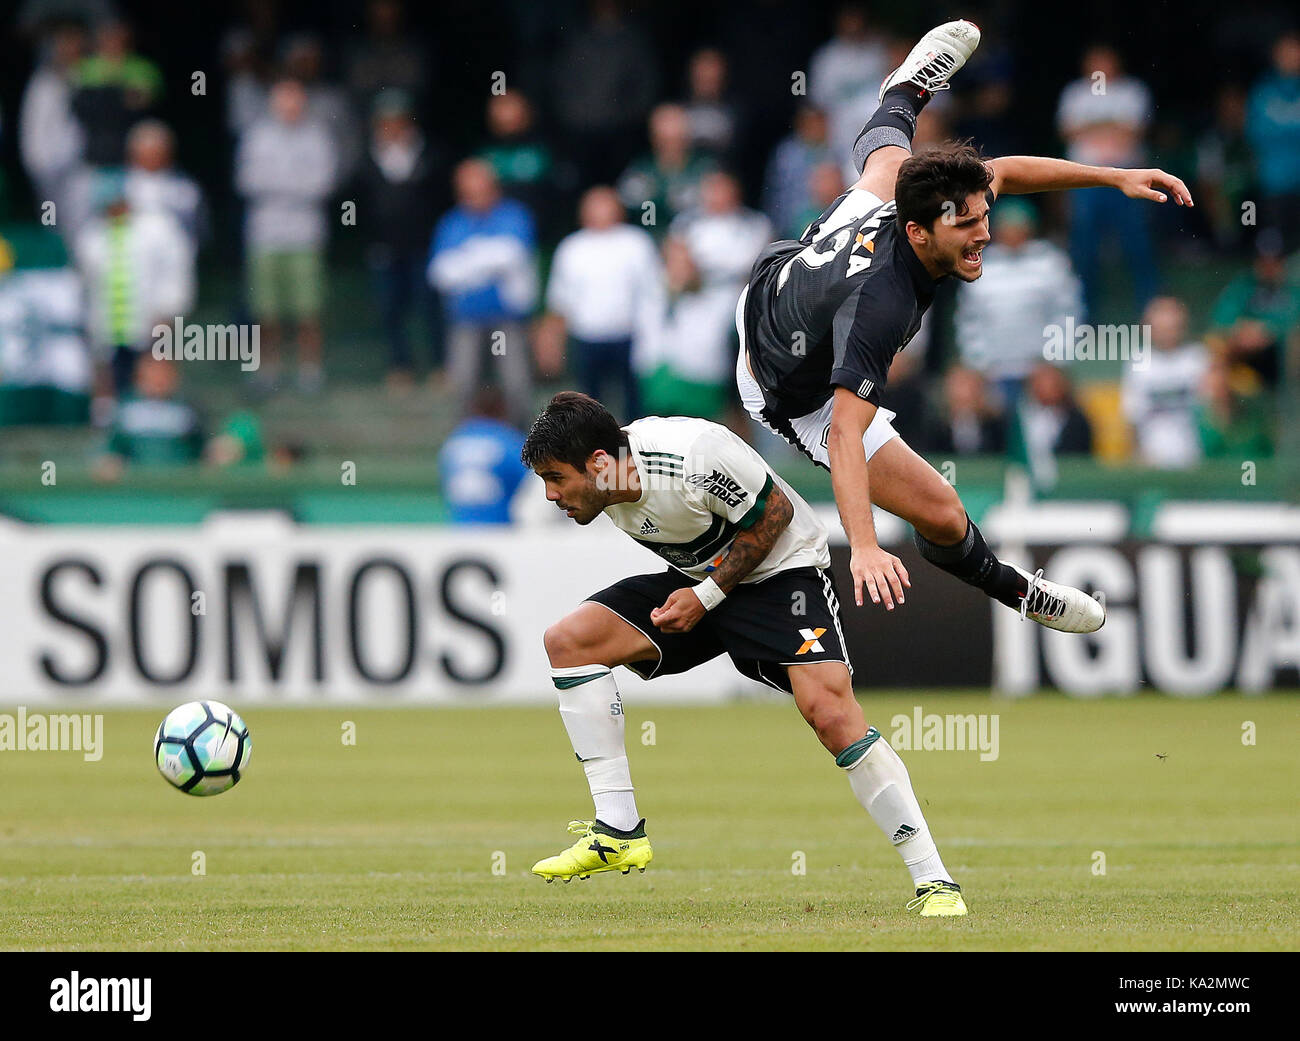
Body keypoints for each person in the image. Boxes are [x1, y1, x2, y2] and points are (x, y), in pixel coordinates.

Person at [736, 20, 1193, 631]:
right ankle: (1022, 594)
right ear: (919, 232)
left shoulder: (908, 193)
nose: (984, 232)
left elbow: (1002, 170)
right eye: (968, 226)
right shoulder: (882, 305)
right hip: (782, 385)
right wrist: (866, 546)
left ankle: (907, 87)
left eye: (983, 216)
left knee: (885, 138)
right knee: (946, 514)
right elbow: (844, 434)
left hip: (784, 276)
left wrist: (1115, 176)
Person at [522, 391, 966, 917]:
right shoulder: (607, 481)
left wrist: (706, 595)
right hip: (698, 583)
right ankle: (617, 828)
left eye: (555, 479)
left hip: (784, 579)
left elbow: (773, 514)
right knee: (569, 642)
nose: (551, 495)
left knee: (830, 714)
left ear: (598, 463)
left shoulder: (691, 453)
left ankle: (934, 880)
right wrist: (703, 592)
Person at [236, 77, 338, 394]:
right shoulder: (257, 135)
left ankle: (310, 370)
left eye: (295, 99)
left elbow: (324, 183)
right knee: (266, 310)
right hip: (264, 235)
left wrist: (277, 184)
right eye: (283, 100)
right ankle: (268, 370)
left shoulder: (318, 135)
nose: (289, 107)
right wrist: (296, 184)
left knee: (309, 309)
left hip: (305, 235)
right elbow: (246, 181)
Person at [536, 186, 660, 423]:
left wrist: (653, 338)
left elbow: (652, 294)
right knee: (589, 405)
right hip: (587, 338)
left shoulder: (636, 242)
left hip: (629, 336)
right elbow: (560, 300)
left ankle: (633, 454)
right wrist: (552, 341)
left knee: (635, 404)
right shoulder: (572, 248)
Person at [428, 158, 538, 426]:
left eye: (480, 190)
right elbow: (440, 273)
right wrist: (485, 261)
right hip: (466, 318)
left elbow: (512, 255)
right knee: (463, 382)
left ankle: (524, 442)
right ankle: (467, 440)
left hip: (506, 318)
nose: (474, 198)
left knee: (515, 383)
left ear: (493, 188)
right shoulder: (452, 223)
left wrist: (467, 262)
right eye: (468, 192)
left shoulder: (513, 215)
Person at [952, 196, 1082, 409]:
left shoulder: (1050, 262)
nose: (1012, 233)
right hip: (994, 373)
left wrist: (1056, 362)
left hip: (1041, 370)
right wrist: (978, 363)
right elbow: (969, 320)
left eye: (1018, 226)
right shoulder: (978, 262)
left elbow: (1067, 313)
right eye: (1007, 227)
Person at [1122, 296, 1208, 469]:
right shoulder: (1138, 362)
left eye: (1173, 327)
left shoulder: (1198, 357)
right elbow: (1132, 418)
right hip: (1152, 462)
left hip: (1195, 459)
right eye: (1161, 328)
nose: (1168, 333)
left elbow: (1211, 411)